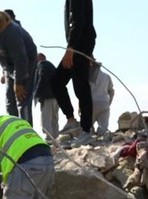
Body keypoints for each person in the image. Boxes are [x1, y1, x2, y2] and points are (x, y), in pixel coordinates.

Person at [53, 0, 97, 147]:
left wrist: (71, 48)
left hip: (80, 44)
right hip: (79, 43)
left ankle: (86, 130)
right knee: (56, 81)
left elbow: (78, 21)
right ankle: (72, 121)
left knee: (80, 86)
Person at [33, 53, 59, 139]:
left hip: (47, 97)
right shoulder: (52, 66)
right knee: (54, 120)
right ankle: (56, 139)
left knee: (46, 120)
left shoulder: (42, 64)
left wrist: (36, 93)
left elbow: (42, 77)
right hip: (57, 97)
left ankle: (49, 139)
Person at [89, 62, 114, 137]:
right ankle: (104, 142)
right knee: (103, 128)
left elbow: (83, 93)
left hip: (91, 104)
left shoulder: (88, 76)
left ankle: (90, 140)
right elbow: (111, 91)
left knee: (88, 128)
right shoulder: (106, 76)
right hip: (104, 103)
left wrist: (80, 106)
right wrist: (109, 102)